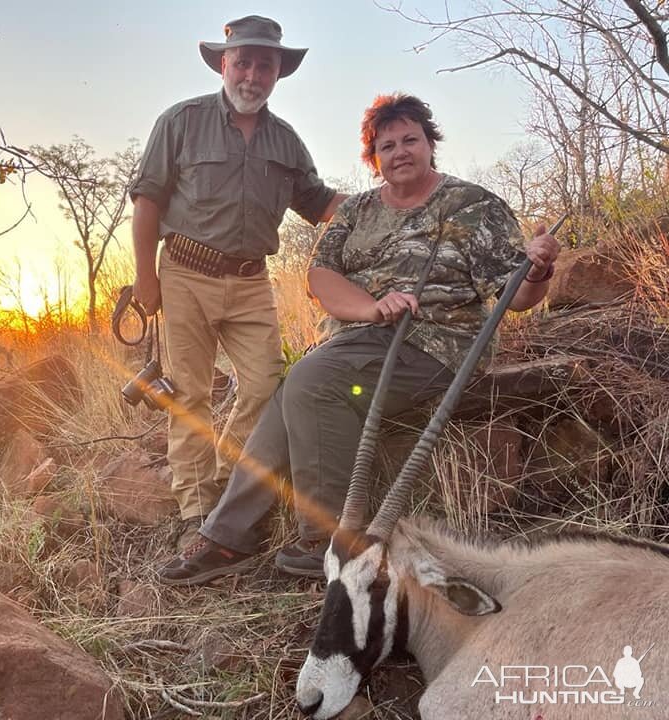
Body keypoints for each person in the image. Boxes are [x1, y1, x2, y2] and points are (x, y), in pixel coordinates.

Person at [158, 92, 561, 585]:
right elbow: (321, 277)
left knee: (308, 382)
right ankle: (230, 535)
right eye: (386, 145)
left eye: (410, 139)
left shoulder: (476, 206)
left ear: (430, 144)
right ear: (374, 160)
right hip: (357, 344)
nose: (400, 152)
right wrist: (372, 308)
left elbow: (515, 298)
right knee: (297, 387)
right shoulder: (356, 212)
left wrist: (539, 268)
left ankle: (329, 539)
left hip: (436, 345)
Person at [129, 16, 347, 550]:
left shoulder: (285, 140)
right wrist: (144, 279)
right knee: (190, 394)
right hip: (183, 273)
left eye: (264, 65)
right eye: (242, 62)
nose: (252, 73)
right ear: (224, 64)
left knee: (264, 386)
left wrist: (391, 198)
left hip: (252, 282)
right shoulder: (181, 121)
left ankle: (230, 484)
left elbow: (318, 204)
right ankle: (195, 509)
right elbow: (147, 200)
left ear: (278, 73)